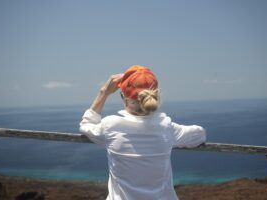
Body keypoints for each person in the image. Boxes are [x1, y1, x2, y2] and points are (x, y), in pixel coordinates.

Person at [79, 65, 206, 200]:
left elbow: (86, 124)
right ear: (154, 97)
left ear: (124, 97)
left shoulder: (111, 126)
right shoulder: (166, 128)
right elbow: (199, 135)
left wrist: (104, 92)